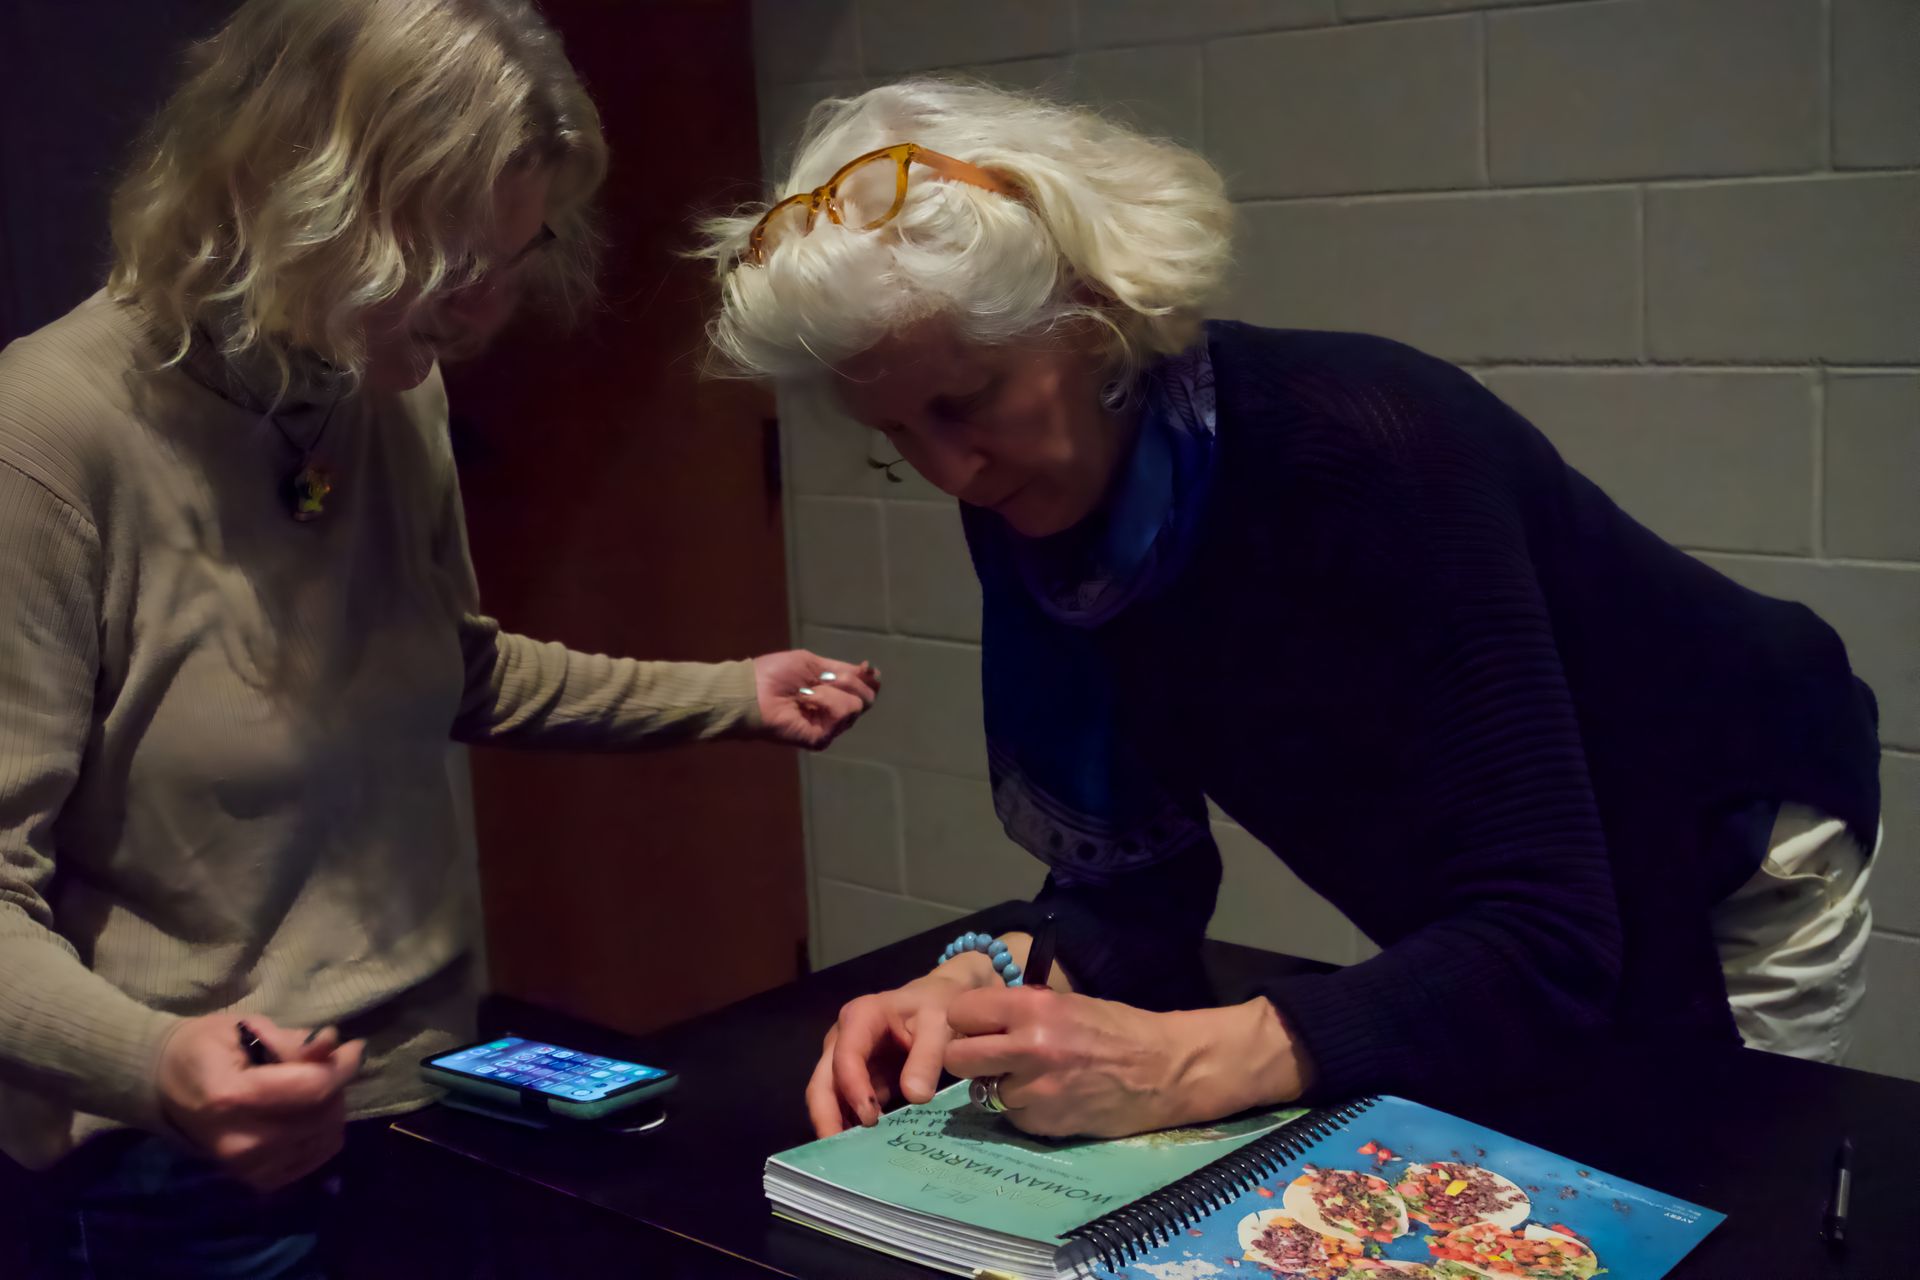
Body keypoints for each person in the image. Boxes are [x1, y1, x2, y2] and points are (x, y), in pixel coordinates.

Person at [697, 80, 1882, 1142]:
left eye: (970, 400)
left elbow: (1548, 946)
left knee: (1700, 1182)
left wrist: (1185, 1063)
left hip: (1718, 837)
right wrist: (974, 981)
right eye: (896, 433)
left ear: (1093, 310)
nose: (952, 470)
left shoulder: (1372, 445)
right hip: (1509, 901)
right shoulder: (1029, 494)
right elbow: (1137, 887)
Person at [0, 0, 877, 1272]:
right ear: (284, 194)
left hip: (432, 1094)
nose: (468, 324)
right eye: (434, 272)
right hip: (177, 1175)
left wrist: (734, 692)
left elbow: (444, 662)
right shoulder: (46, 441)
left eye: (504, 263)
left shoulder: (372, 377)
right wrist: (152, 1062)